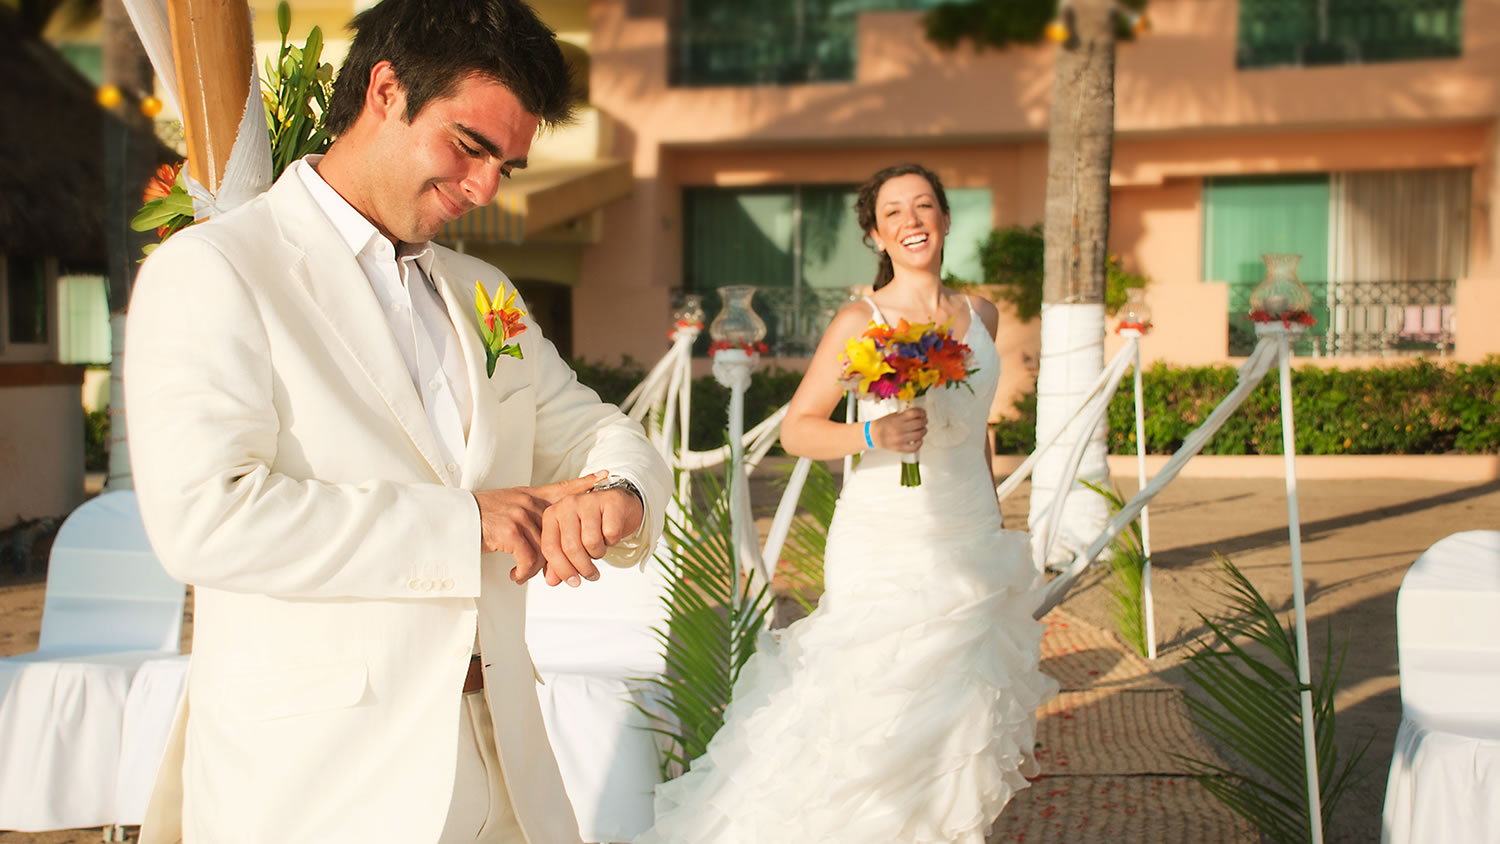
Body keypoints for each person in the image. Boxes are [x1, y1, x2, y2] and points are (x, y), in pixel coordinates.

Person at [123, 1, 671, 841]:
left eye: (507, 167)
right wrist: (465, 523)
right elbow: (207, 518)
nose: (484, 187)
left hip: (506, 773)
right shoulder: (217, 269)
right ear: (386, 89)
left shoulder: (482, 292)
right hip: (321, 787)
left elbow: (592, 425)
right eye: (469, 145)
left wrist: (621, 492)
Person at [637, 162, 1057, 843]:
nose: (912, 221)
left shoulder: (981, 315)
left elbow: (976, 429)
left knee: (961, 718)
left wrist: (994, 520)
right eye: (894, 213)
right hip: (886, 539)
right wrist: (871, 431)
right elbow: (800, 428)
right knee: (876, 712)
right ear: (875, 233)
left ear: (947, 221)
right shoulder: (861, 319)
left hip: (971, 536)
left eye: (925, 207)